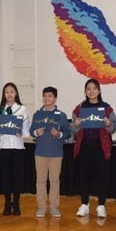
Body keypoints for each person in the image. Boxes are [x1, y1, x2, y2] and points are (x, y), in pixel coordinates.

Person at [71, 78, 116, 219]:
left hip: (101, 146)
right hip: (84, 146)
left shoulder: (107, 108)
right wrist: (77, 125)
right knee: (83, 176)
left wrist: (109, 124)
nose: (91, 91)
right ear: (85, 91)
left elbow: (114, 127)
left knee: (101, 177)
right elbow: (72, 128)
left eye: (94, 88)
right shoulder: (79, 108)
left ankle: (101, 206)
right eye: (88, 89)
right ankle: (84, 204)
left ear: (99, 90)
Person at [29, 86, 70, 218]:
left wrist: (59, 134)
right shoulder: (37, 114)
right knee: (40, 181)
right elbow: (31, 131)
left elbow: (68, 133)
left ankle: (54, 207)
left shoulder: (61, 115)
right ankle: (41, 207)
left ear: (55, 98)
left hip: (56, 153)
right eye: (45, 96)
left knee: (54, 181)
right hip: (40, 152)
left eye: (50, 96)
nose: (47, 98)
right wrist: (36, 133)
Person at [0, 82, 30, 216]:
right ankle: (7, 203)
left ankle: (17, 203)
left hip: (18, 147)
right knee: (5, 177)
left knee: (17, 177)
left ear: (16, 93)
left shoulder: (22, 109)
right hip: (4, 146)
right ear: (4, 94)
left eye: (12, 91)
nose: (9, 94)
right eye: (7, 92)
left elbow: (27, 131)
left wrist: (22, 134)